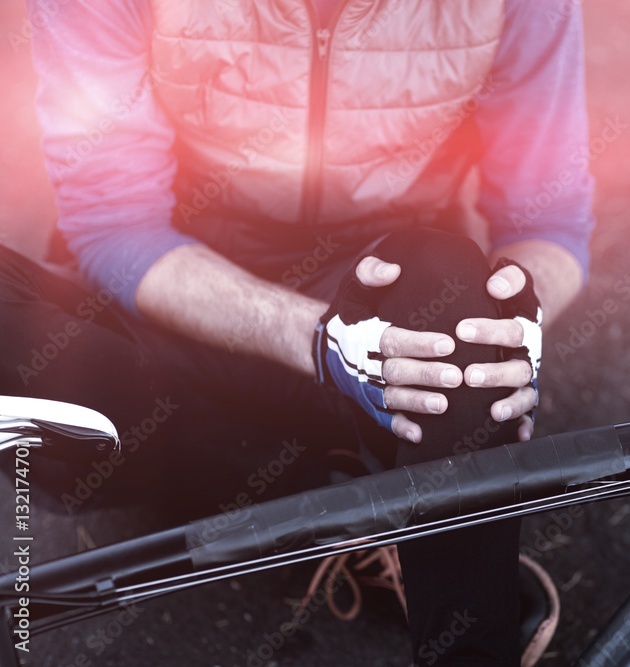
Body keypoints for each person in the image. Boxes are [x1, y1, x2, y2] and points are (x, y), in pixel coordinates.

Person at [2, 0, 594, 664]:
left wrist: (513, 322)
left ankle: (460, 634)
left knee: (455, 289)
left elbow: (551, 225)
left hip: (385, 328)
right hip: (168, 310)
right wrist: (315, 337)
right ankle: (340, 507)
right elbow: (114, 222)